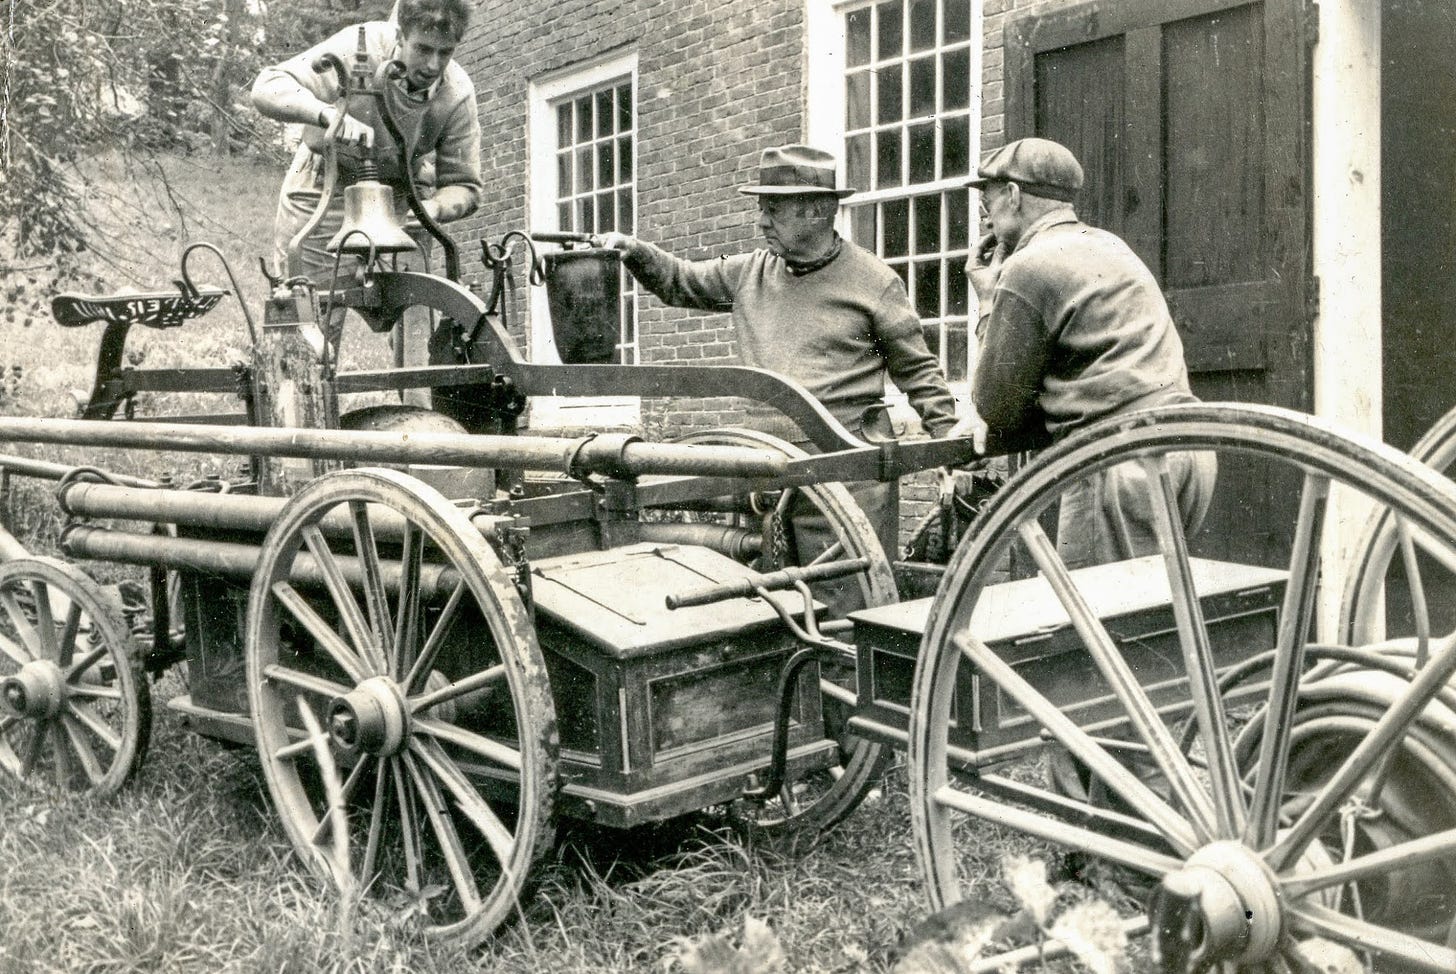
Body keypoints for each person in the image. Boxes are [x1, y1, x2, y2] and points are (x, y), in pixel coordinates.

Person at [596, 144, 959, 558]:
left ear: (819, 211)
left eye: (774, 209)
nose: (761, 222)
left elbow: (919, 373)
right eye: (762, 208)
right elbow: (681, 280)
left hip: (849, 477)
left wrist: (950, 442)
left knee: (850, 605)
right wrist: (636, 252)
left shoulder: (874, 281)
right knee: (778, 603)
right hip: (766, 472)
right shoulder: (750, 271)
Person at [954, 137, 1216, 569]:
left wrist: (988, 300)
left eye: (989, 195)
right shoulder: (1112, 245)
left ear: (1014, 196)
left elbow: (995, 406)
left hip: (1118, 462)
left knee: (1097, 624)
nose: (985, 212)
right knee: (1156, 615)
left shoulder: (1028, 265)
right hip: (1186, 449)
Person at [250, 0, 482, 282]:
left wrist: (433, 208)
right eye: (422, 49)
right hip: (325, 188)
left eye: (445, 52)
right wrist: (326, 114)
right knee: (309, 304)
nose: (433, 65)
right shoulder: (358, 47)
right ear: (400, 35)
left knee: (419, 311)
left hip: (403, 200)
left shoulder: (457, 93)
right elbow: (267, 86)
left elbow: (464, 185)